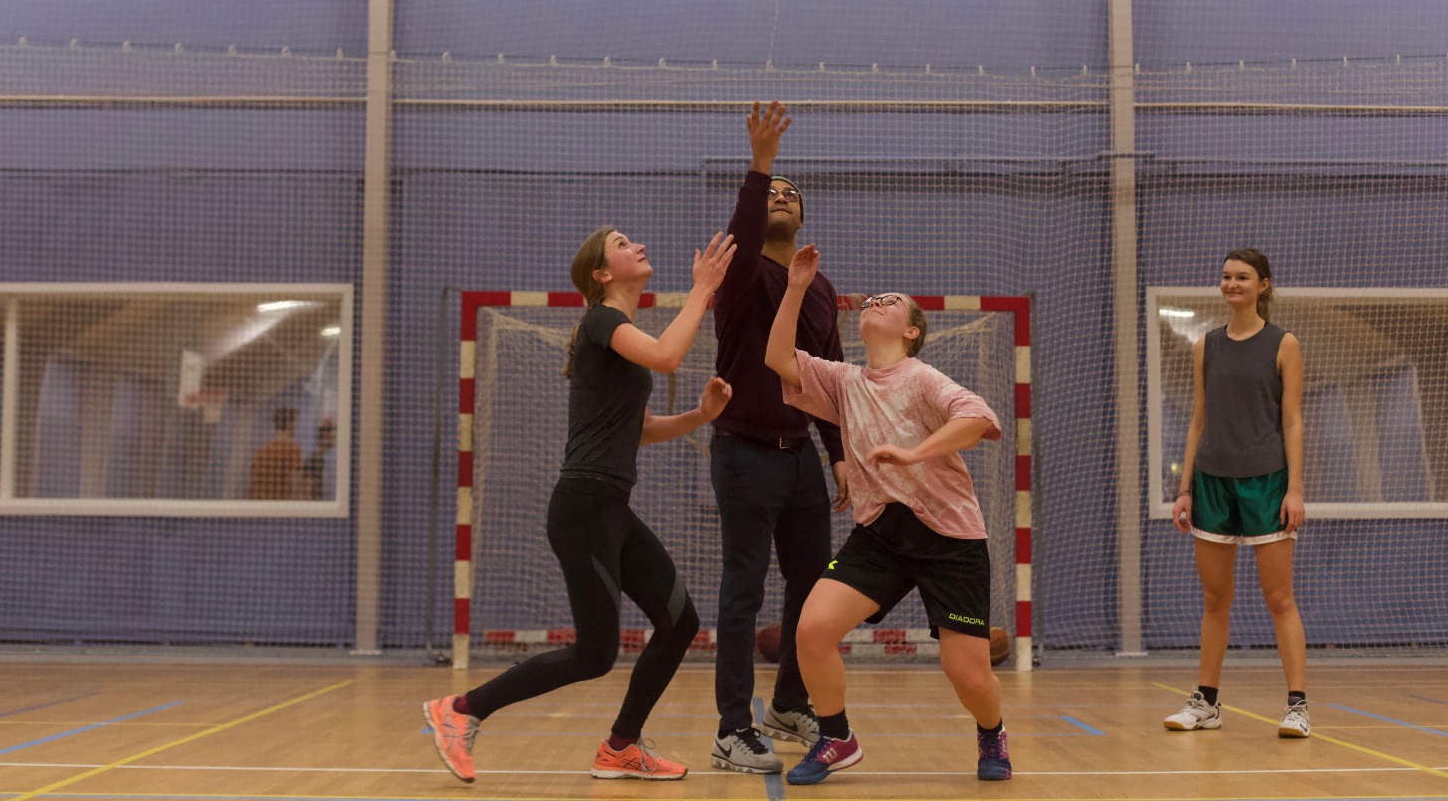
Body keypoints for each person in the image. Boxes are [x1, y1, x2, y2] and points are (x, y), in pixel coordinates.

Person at [423, 226, 738, 783]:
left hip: (611, 507)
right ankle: (461, 709)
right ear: (601, 273)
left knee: (679, 621)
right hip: (583, 506)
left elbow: (636, 431)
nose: (638, 244)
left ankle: (620, 746)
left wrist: (699, 418)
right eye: (622, 243)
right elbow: (669, 356)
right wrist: (703, 289)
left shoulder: (619, 338)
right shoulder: (601, 320)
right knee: (595, 654)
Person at [765, 244, 1012, 784]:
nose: (876, 300)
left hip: (949, 538)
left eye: (891, 300)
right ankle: (836, 738)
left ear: (911, 332)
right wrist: (795, 289)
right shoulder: (845, 382)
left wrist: (913, 454)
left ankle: (991, 732)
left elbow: (979, 417)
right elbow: (778, 358)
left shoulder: (923, 379)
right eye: (872, 298)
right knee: (811, 629)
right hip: (880, 534)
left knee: (965, 674)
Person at [708, 101, 848, 775]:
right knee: (743, 590)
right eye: (772, 194)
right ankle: (732, 728)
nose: (780, 199)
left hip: (803, 466)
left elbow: (825, 381)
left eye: (791, 192)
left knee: (814, 586)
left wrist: (841, 457)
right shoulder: (740, 279)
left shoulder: (819, 289)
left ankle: (789, 702)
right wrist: (760, 166)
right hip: (744, 452)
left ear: (804, 216)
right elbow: (742, 228)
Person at [1163, 247, 1309, 738]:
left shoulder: (1283, 343)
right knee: (1215, 598)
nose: (1231, 284)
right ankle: (1205, 703)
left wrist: (1295, 489)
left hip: (1267, 482)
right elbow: (1199, 419)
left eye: (1242, 277)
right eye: (1225, 277)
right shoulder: (1205, 345)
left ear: (1263, 285)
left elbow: (1292, 420)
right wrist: (1183, 489)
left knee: (1279, 597)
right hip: (1211, 483)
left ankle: (1297, 706)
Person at [248, 407, 306, 500]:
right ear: (291, 425)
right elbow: (296, 487)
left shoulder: (261, 452)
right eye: (295, 423)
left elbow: (253, 488)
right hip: (283, 508)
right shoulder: (293, 451)